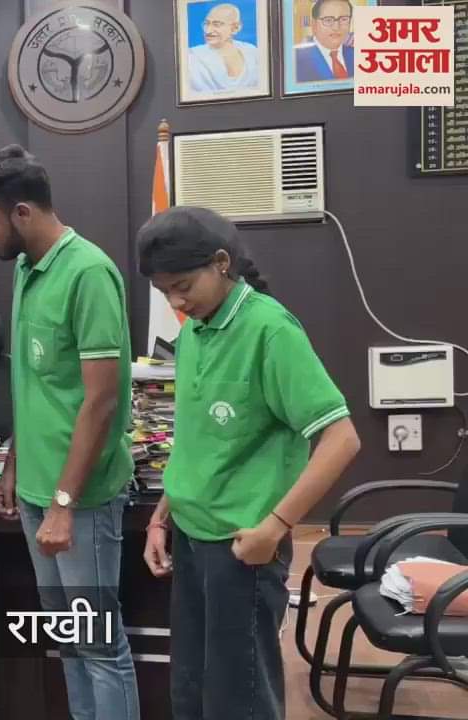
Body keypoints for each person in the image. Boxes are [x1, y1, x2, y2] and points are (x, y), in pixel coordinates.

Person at [136, 207, 360, 720]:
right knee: (191, 689)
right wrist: (160, 516)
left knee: (241, 697)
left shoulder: (270, 330)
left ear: (221, 263)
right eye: (163, 291)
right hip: (191, 536)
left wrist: (276, 526)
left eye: (183, 286)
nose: (175, 302)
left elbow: (341, 438)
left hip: (243, 546)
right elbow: (197, 439)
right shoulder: (194, 330)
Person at [0, 145, 140, 720]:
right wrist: (13, 462)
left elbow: (102, 400)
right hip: (37, 490)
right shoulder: (27, 270)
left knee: (100, 643)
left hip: (80, 498)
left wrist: (63, 501)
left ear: (22, 213)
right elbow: (36, 385)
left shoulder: (87, 271)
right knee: (67, 638)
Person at [188, 3, 262, 94]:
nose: (208, 30)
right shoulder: (192, 56)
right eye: (206, 24)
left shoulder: (252, 52)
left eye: (217, 24)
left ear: (235, 28)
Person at [295, 0, 354, 82]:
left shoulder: (358, 55)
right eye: (328, 20)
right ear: (314, 24)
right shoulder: (296, 60)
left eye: (344, 19)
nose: (336, 27)